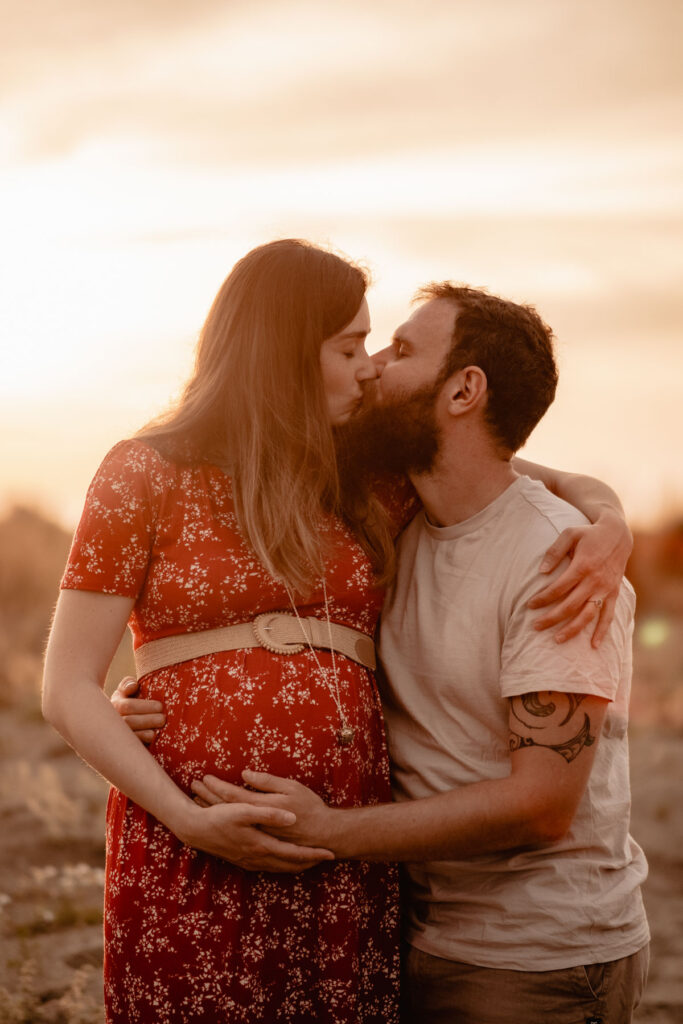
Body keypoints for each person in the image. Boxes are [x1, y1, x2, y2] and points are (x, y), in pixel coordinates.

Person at [44, 240, 632, 1024]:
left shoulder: (365, 473)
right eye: (350, 347)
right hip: (189, 840)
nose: (367, 369)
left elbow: (511, 472)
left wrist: (609, 520)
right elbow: (65, 686)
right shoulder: (141, 473)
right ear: (287, 350)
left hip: (344, 857)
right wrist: (186, 816)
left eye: (379, 349)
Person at [186, 284, 649, 1023]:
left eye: (400, 350)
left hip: (538, 960)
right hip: (417, 932)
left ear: (464, 391)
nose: (371, 364)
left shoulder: (558, 562)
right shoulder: (398, 517)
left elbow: (541, 804)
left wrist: (328, 831)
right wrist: (164, 689)